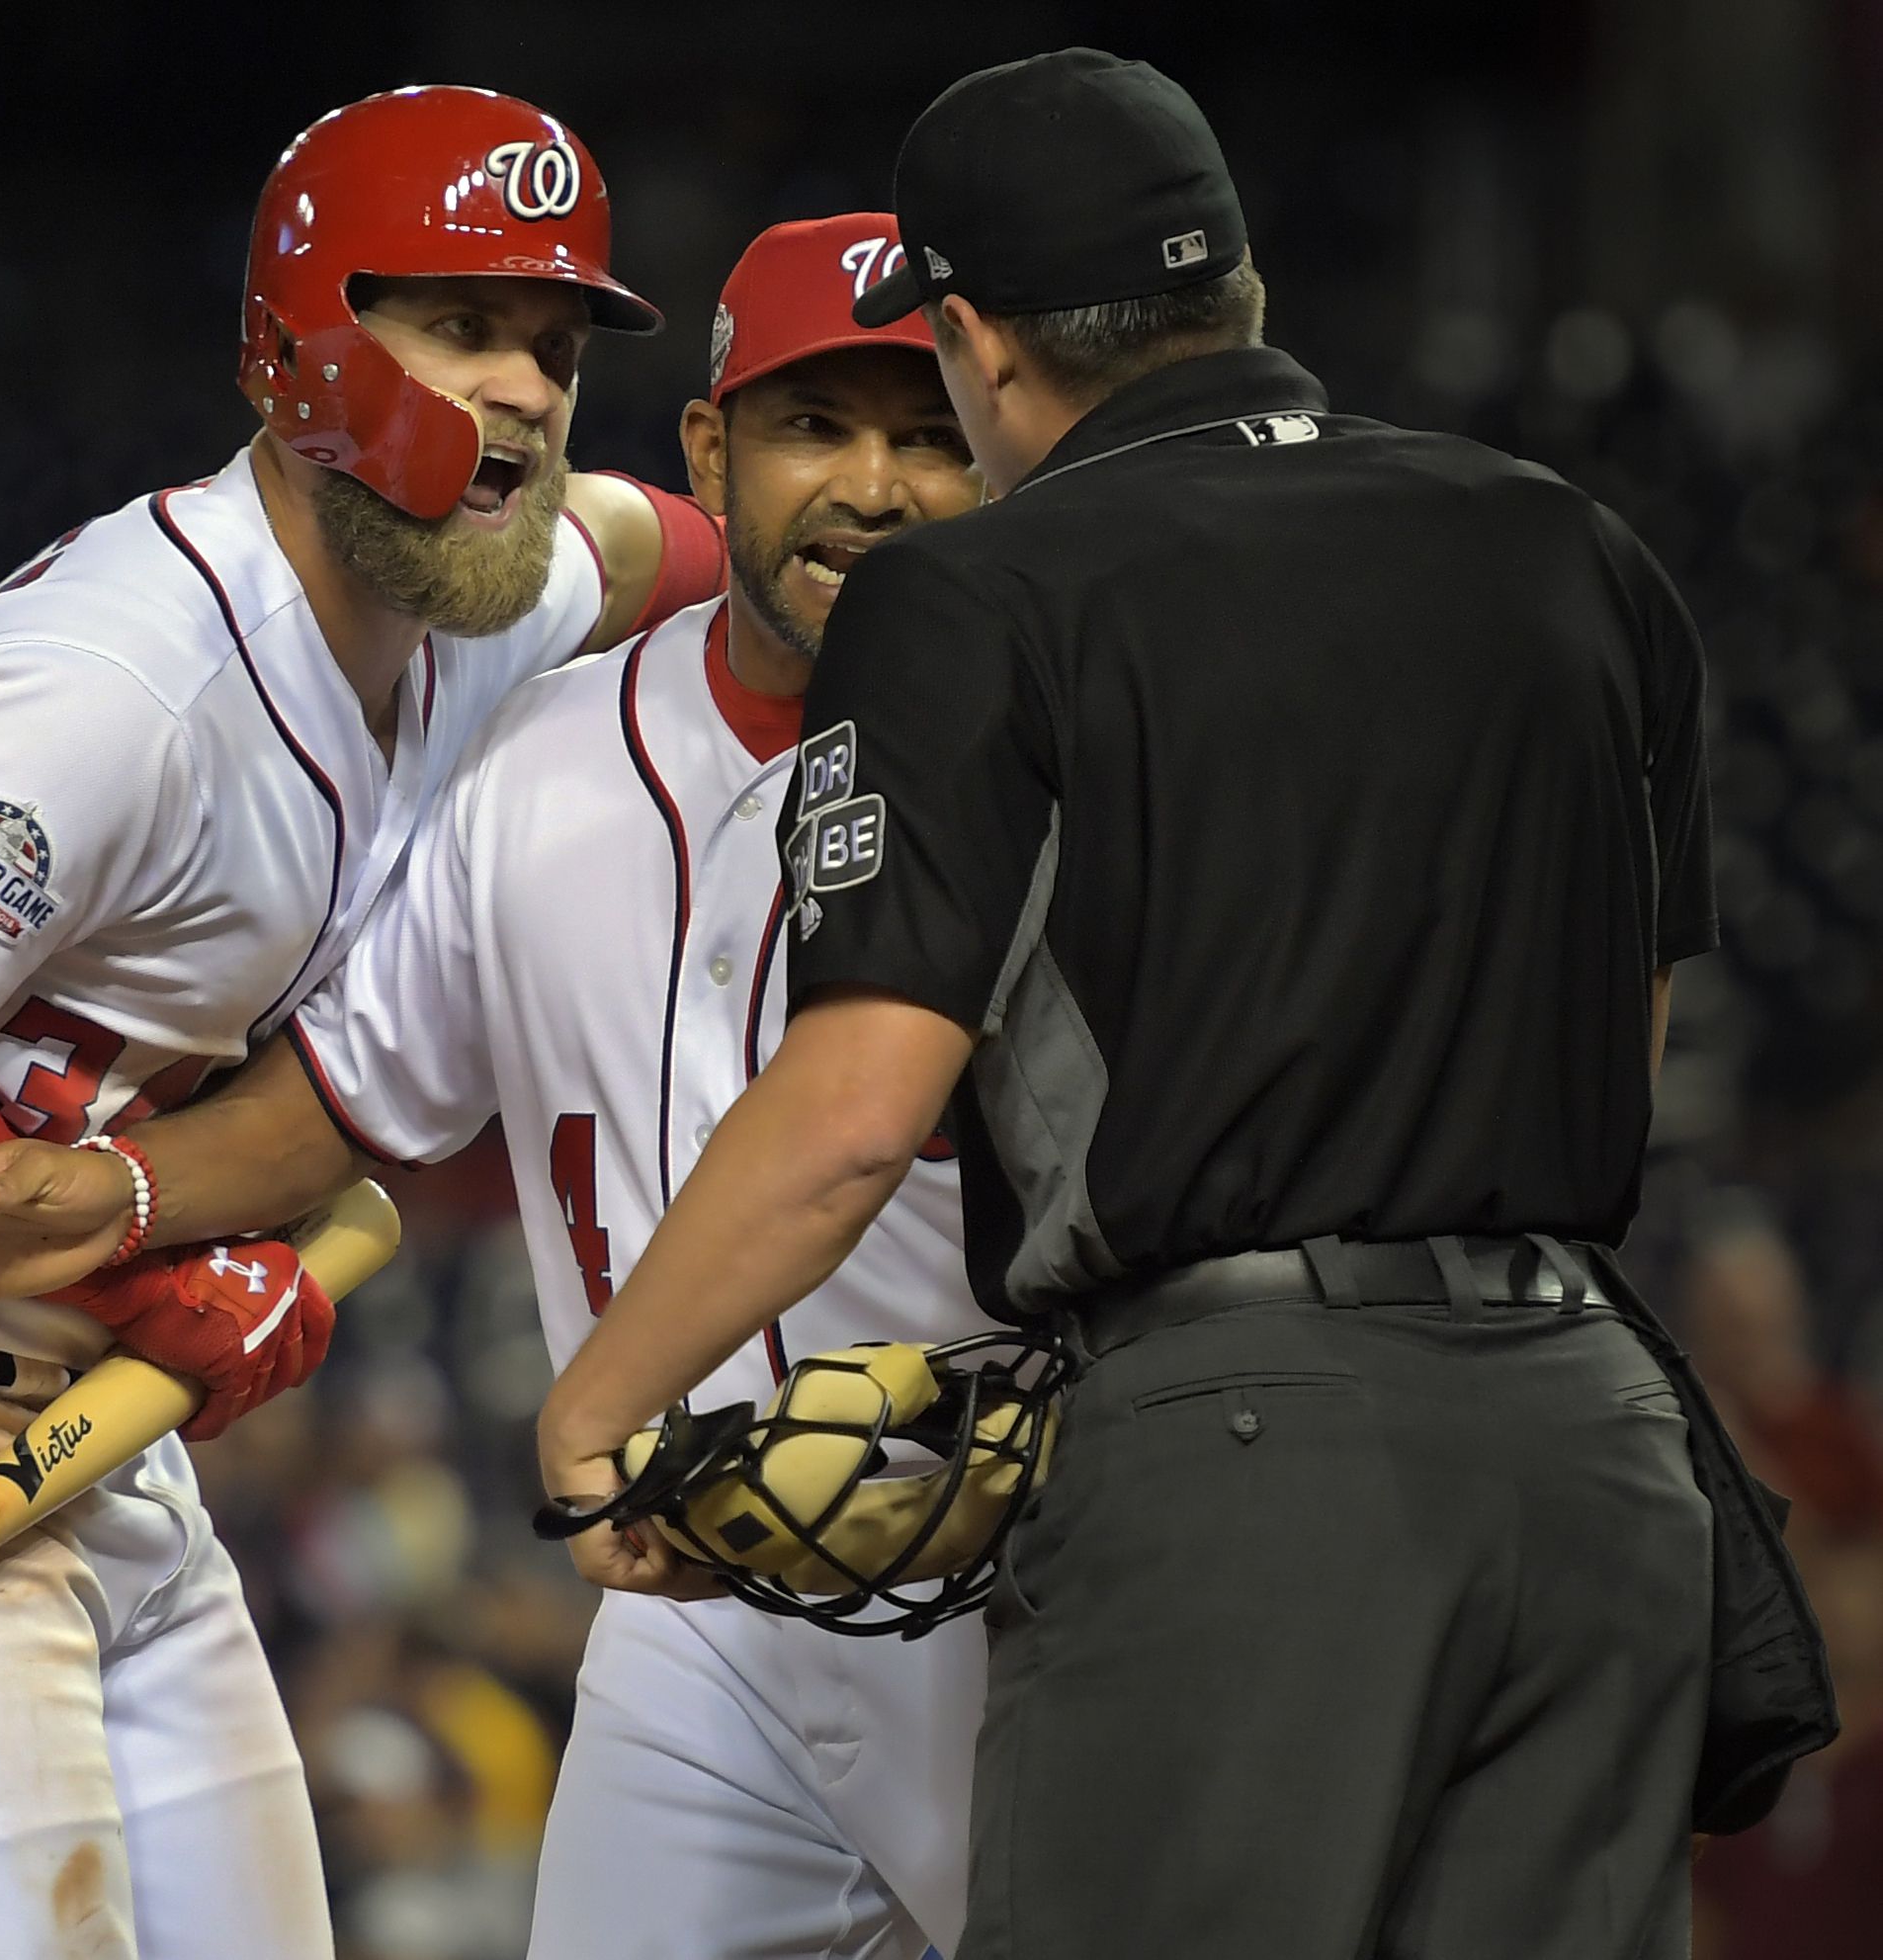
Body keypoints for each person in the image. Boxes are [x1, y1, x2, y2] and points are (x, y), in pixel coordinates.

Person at [527, 47, 1734, 1960]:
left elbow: (855, 1113)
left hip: (1242, 1464)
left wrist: (598, 1411)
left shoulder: (981, 595)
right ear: (1239, 293)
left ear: (983, 347)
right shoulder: (1572, 549)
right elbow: (1630, 1049)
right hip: (1593, 1439)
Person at [0, 85, 728, 1960]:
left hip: (101, 1447)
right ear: (299, 345)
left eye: (556, 339)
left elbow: (683, 540)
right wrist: (164, 1286)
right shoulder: (123, 680)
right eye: (463, 323)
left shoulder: (477, 599)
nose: (526, 383)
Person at [0, 213, 996, 1958]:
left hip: (997, 1585)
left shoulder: (1092, 761)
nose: (877, 488)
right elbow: (340, 1107)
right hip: (683, 1611)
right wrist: (122, 1199)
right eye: (820, 428)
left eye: (935, 433)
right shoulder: (553, 755)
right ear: (716, 454)